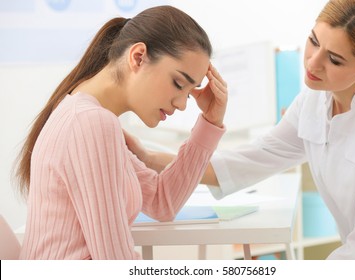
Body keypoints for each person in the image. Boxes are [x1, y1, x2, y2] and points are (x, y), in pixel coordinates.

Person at [131, 0, 355, 259]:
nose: (312, 63)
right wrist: (147, 158)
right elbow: (241, 164)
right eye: (313, 41)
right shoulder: (313, 104)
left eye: (334, 60)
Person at [14, 5, 228, 259]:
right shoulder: (91, 123)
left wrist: (210, 122)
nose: (182, 104)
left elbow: (163, 201)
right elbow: (115, 263)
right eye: (178, 84)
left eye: (189, 91)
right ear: (138, 57)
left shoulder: (88, 115)